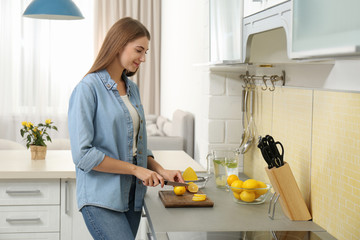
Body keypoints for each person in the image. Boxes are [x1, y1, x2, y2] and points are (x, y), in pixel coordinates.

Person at [68, 17, 184, 240]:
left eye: (146, 52)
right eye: (139, 50)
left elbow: (137, 145)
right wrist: (136, 170)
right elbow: (83, 155)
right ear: (119, 44)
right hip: (101, 198)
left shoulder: (132, 89)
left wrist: (160, 170)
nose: (143, 58)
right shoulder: (87, 89)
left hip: (132, 197)